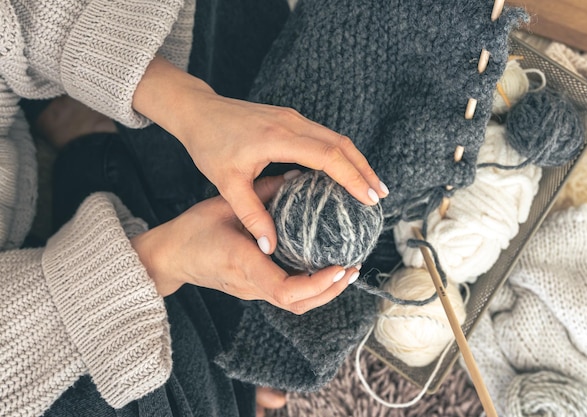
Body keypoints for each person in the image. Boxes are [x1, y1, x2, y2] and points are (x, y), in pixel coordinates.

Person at [0, 0, 388, 416]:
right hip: (30, 337)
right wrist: (162, 260)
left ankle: (95, 145)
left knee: (228, 28)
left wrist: (188, 104)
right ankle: (97, 155)